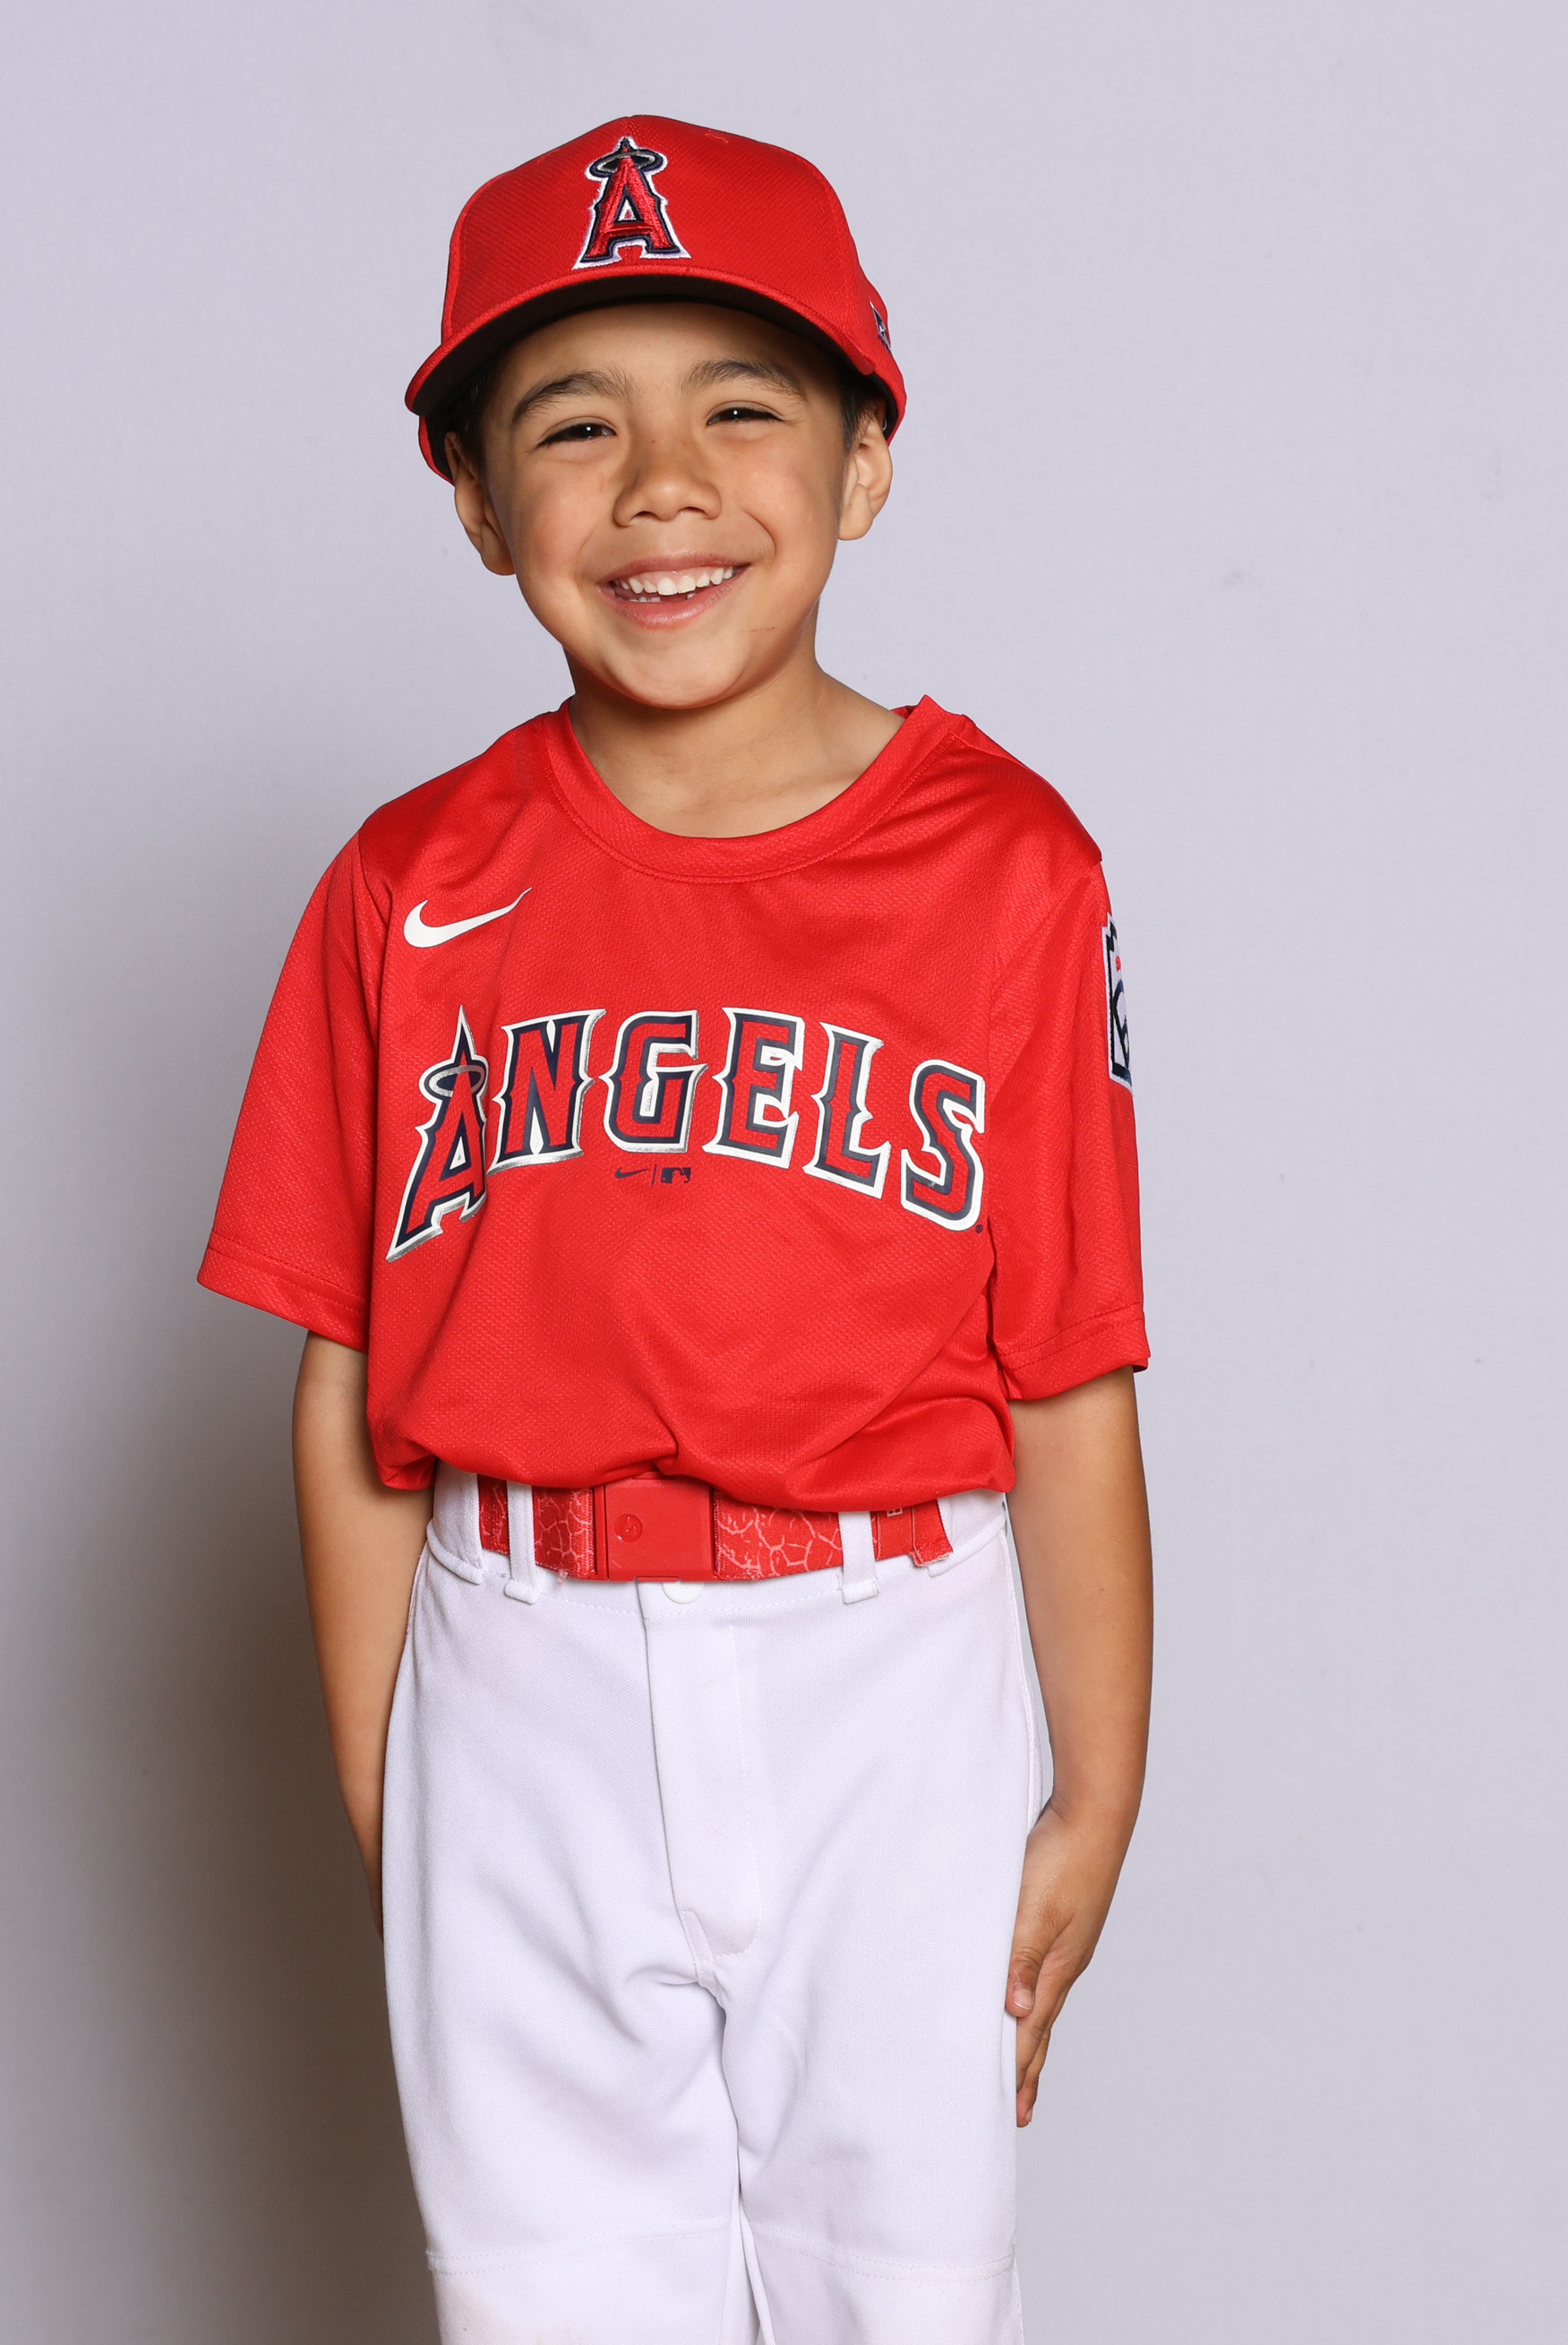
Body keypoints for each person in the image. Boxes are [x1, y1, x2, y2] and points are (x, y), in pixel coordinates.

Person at [199, 114, 1152, 2345]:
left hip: (886, 1663)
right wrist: (400, 1775)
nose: (659, 485)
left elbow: (1068, 1370)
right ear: (469, 497)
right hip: (511, 1649)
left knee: (903, 2300)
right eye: (570, 424)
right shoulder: (405, 885)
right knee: (548, 2308)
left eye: (739, 406)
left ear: (864, 455)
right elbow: (349, 1382)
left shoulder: (1008, 862)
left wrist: (1097, 1785)